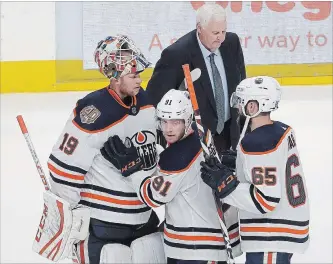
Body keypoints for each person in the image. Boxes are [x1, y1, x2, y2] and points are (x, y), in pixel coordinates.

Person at [32, 35, 166, 264]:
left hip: (144, 218)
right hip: (104, 224)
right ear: (114, 75)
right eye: (132, 74)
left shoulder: (147, 103)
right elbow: (63, 168)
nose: (139, 79)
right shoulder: (92, 112)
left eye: (139, 74)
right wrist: (71, 215)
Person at [104, 89, 242, 264]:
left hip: (195, 247)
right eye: (164, 121)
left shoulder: (177, 157)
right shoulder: (201, 132)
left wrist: (132, 169)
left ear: (187, 120)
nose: (168, 129)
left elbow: (153, 197)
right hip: (205, 240)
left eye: (175, 122)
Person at [200, 76, 310, 264]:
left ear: (252, 107)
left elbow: (265, 200)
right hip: (280, 232)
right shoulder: (280, 130)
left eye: (240, 103)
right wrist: (241, 165)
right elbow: (273, 169)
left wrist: (226, 185)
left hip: (271, 235)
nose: (237, 108)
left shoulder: (258, 143)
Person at [146, 3, 246, 153]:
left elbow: (241, 83)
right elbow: (155, 99)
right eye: (215, 33)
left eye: (223, 31)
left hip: (230, 134)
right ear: (199, 28)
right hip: (195, 141)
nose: (221, 38)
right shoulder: (176, 54)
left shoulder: (232, 43)